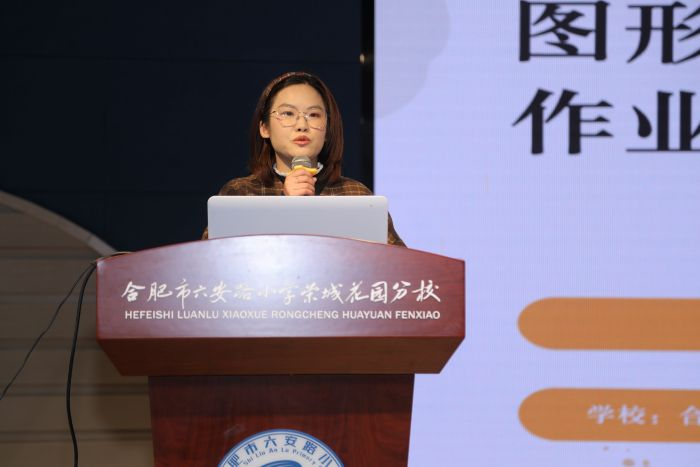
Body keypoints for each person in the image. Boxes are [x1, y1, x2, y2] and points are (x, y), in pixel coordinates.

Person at [203, 71, 404, 246]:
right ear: (264, 128)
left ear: (327, 130)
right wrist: (286, 208)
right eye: (288, 113)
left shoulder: (356, 196)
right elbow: (206, 264)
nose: (301, 125)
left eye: (313, 115)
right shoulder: (240, 193)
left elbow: (402, 266)